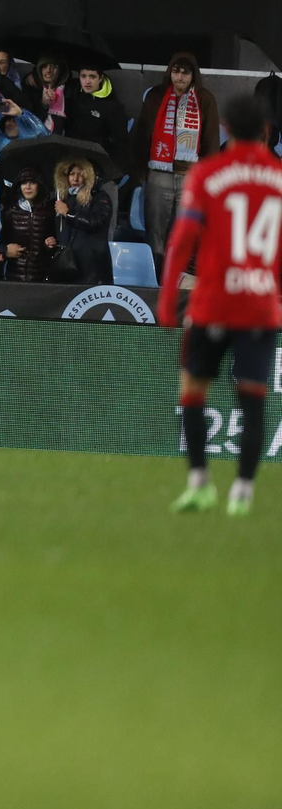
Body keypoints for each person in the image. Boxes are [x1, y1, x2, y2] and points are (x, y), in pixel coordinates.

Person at [156, 89, 281, 517]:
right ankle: (243, 493)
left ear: (224, 127)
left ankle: (199, 483)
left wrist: (168, 298)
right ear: (266, 131)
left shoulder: (208, 173)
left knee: (192, 391)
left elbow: (181, 242)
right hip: (262, 307)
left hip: (212, 303)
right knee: (253, 400)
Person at [129, 52, 220, 273]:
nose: (179, 77)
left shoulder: (204, 98)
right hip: (158, 172)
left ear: (193, 75)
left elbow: (211, 141)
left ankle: (178, 280)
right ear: (170, 72)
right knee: (155, 231)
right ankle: (155, 279)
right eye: (176, 71)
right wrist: (141, 173)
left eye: (185, 73)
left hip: (190, 175)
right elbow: (141, 134)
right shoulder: (156, 96)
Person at [53, 157, 113, 284]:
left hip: (92, 266)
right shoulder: (64, 199)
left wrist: (68, 213)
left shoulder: (100, 197)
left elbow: (95, 222)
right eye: (72, 174)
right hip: (69, 264)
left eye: (80, 175)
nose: (75, 179)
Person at [65, 62, 130, 170]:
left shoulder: (112, 106)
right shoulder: (73, 95)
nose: (87, 81)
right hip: (71, 158)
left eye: (92, 77)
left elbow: (120, 142)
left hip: (97, 162)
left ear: (100, 78)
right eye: (83, 76)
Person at [2, 167, 57, 282]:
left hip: (41, 277)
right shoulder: (9, 211)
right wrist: (5, 250)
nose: (27, 187)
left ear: (39, 185)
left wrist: (49, 244)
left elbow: (55, 238)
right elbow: (2, 239)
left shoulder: (50, 210)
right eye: (23, 183)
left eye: (32, 182)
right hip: (14, 276)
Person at [22, 55, 71, 133]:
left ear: (61, 70)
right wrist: (43, 104)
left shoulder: (69, 91)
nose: (48, 70)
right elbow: (28, 119)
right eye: (44, 66)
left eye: (54, 67)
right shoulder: (32, 88)